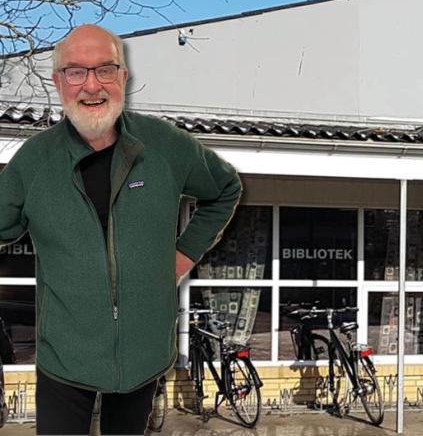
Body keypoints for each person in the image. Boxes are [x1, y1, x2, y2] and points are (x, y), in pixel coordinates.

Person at [0, 25, 242, 435]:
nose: (91, 85)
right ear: (58, 82)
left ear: (124, 78)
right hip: (65, 357)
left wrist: (182, 257)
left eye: (105, 70)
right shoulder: (35, 161)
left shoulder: (162, 145)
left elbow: (225, 189)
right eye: (76, 72)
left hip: (142, 352)